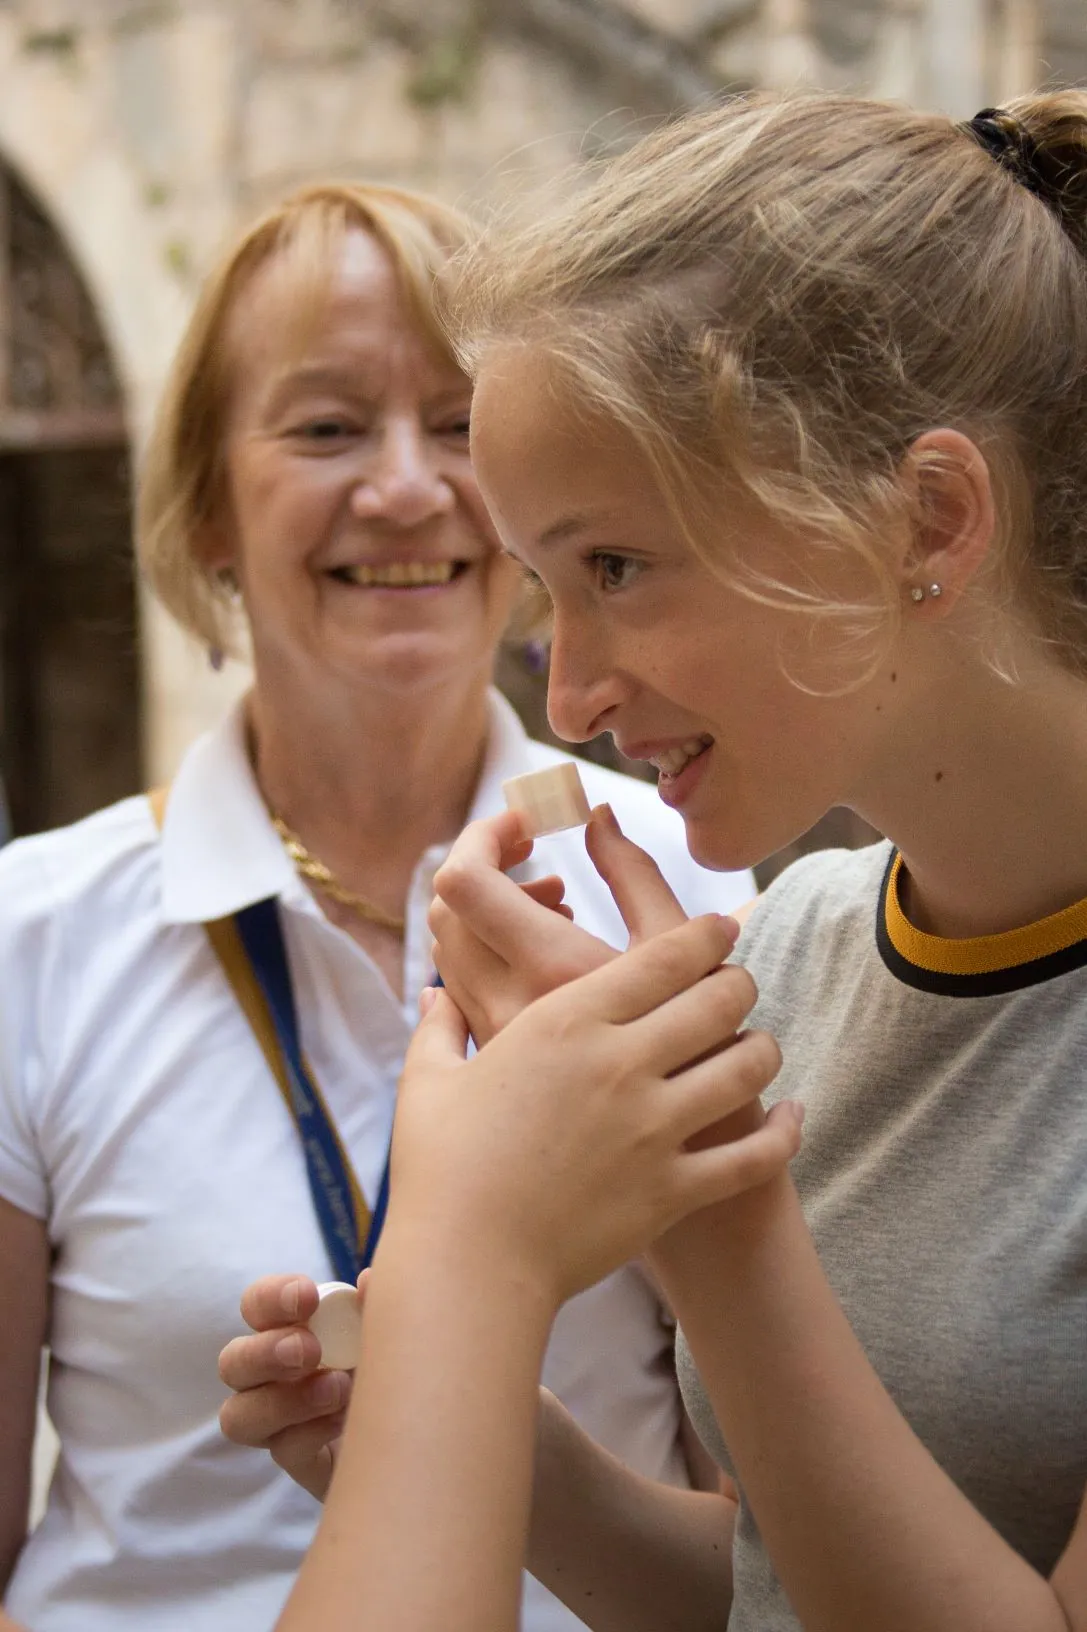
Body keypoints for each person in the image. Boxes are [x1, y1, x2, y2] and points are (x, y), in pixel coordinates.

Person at [221, 88, 1087, 1632]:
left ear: (928, 516)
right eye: (549, 594)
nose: (565, 702)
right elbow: (789, 1589)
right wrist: (514, 1467)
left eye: (615, 566)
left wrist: (707, 1208)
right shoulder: (798, 948)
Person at [0, 182, 754, 1632]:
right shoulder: (33, 933)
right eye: (328, 425)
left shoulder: (681, 874)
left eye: (462, 425)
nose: (406, 487)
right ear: (208, 505)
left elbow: (771, 1533)